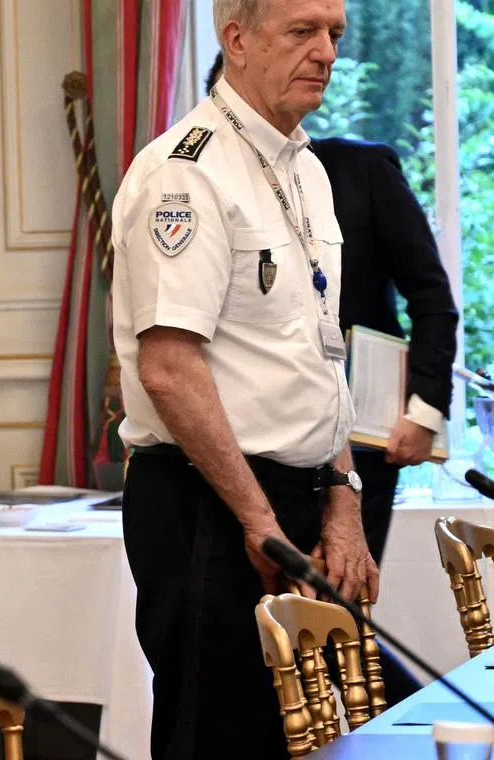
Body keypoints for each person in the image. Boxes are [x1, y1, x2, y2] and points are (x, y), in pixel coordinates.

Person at [109, 1, 378, 758]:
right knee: (217, 737)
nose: (325, 52)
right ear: (235, 39)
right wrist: (259, 522)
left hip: (286, 499)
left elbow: (320, 360)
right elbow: (169, 369)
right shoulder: (186, 172)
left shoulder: (309, 170)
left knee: (286, 742)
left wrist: (341, 498)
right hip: (208, 503)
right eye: (302, 32)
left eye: (335, 34)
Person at [213, 49, 458, 704]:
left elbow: (432, 298)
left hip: (363, 443)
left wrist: (425, 412)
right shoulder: (208, 185)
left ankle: (434, 720)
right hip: (255, 453)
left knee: (334, 624)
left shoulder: (360, 170)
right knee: (275, 642)